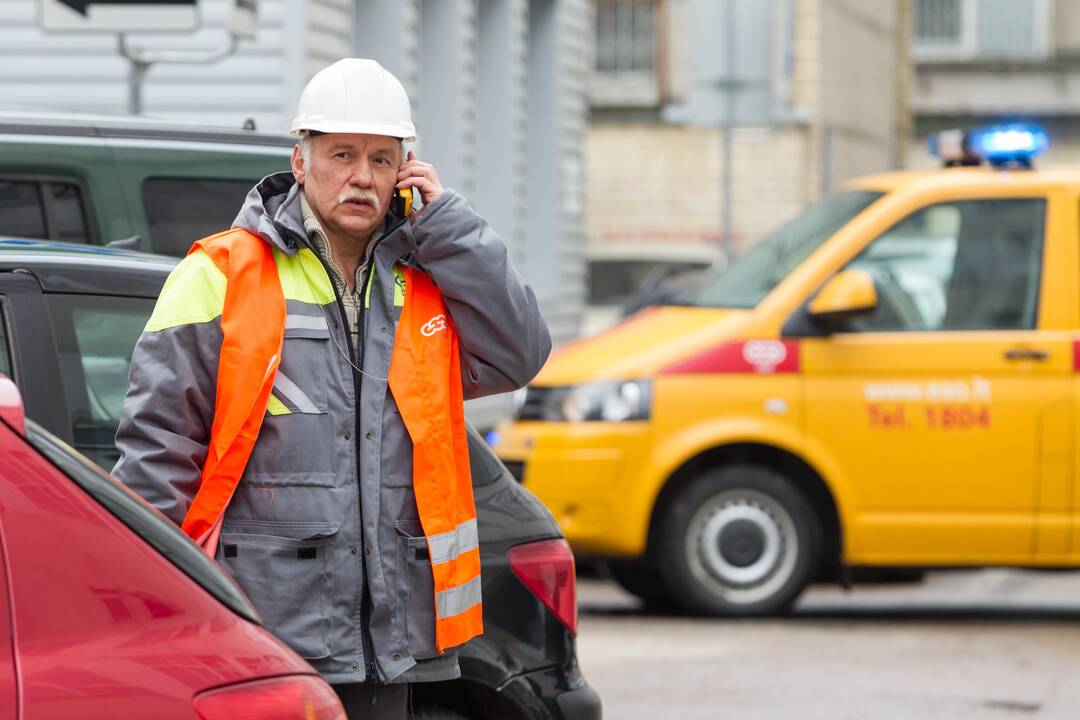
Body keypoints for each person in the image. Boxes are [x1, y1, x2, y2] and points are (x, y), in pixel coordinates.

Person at [113, 58, 551, 719]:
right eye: (341, 154)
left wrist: (449, 224)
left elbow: (521, 353)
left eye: (381, 159)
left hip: (392, 640)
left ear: (404, 170)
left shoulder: (427, 282)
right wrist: (161, 611)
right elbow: (158, 453)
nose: (362, 176)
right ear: (300, 160)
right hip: (262, 632)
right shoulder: (220, 274)